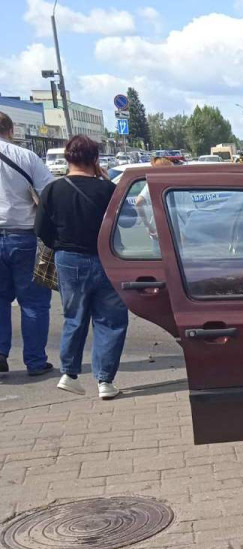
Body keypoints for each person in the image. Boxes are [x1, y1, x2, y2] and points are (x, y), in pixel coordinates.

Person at [34, 135, 128, 400]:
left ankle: (69, 374)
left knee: (74, 317)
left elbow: (41, 230)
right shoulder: (107, 190)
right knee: (110, 320)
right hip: (107, 259)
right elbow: (127, 223)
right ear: (95, 159)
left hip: (68, 259)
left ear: (67, 158)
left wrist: (62, 246)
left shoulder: (52, 190)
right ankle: (105, 381)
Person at [0, 111, 54, 376]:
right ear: (10, 131)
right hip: (23, 235)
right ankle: (35, 361)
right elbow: (49, 192)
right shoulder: (25, 156)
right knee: (33, 303)